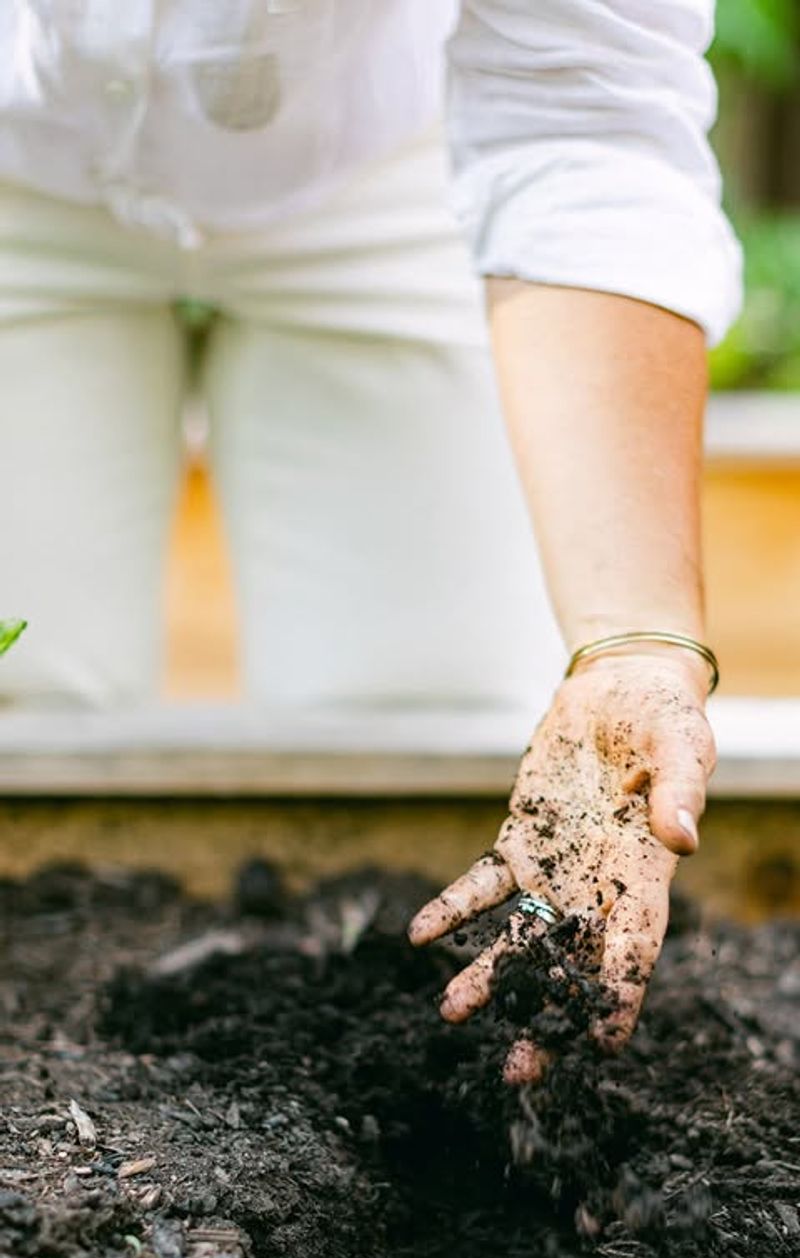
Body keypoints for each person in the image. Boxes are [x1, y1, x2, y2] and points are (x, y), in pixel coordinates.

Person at [1, 3, 741, 1080]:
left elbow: (585, 114)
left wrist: (630, 640)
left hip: (390, 157)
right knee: (25, 703)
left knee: (419, 718)